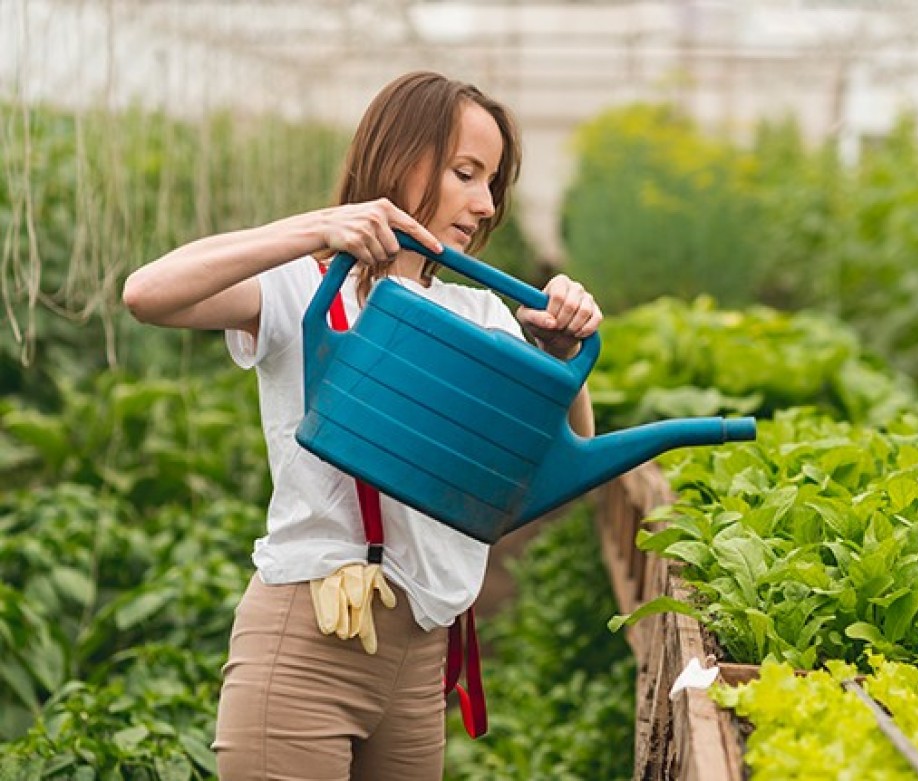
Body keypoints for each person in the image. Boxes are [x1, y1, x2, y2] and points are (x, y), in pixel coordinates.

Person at [122, 71, 602, 781]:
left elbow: (568, 453)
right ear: (399, 159)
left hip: (420, 659)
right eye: (465, 173)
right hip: (308, 646)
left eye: (493, 182)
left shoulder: (480, 313)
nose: (484, 203)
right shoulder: (306, 285)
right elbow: (146, 293)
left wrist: (564, 358)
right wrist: (317, 228)